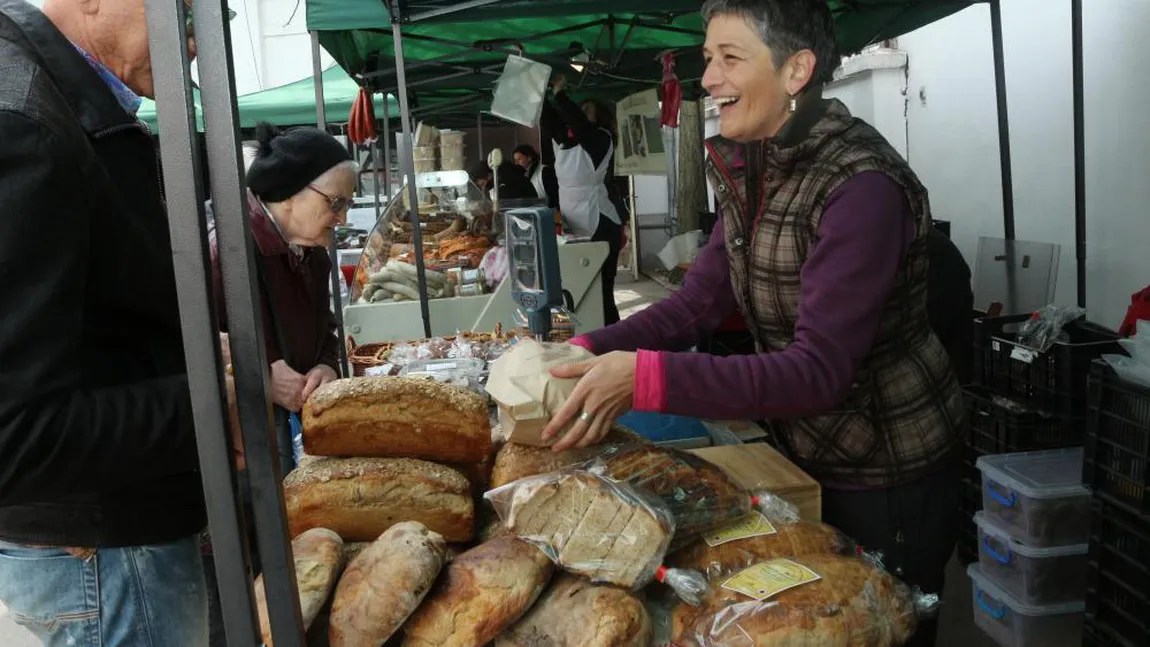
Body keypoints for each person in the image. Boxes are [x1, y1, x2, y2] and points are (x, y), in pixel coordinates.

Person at [542, 2, 965, 646]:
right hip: (796, 451)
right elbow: (696, 305)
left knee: (881, 625)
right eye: (709, 57)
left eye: (729, 58)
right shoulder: (756, 165)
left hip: (886, 470)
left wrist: (647, 379)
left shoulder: (861, 187)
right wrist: (580, 348)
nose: (708, 77)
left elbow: (818, 370)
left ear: (797, 70)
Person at [0, 0, 220, 644]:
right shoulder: (25, 120)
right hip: (106, 554)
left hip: (105, 547)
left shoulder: (51, 99)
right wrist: (209, 404)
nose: (197, 44)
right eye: (183, 15)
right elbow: (15, 434)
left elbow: (89, 320)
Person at [540, 78, 628, 325]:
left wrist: (560, 95)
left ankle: (613, 337)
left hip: (599, 220)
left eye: (587, 110)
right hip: (573, 220)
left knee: (601, 290)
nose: (580, 114)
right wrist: (540, 94)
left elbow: (580, 125)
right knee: (580, 289)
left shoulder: (601, 138)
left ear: (600, 119)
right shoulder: (568, 141)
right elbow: (549, 121)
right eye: (581, 109)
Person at [513, 143, 560, 209]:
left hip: (550, 214)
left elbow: (555, 200)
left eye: (519, 159)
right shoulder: (521, 177)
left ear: (529, 158)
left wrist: (557, 218)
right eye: (515, 161)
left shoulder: (545, 171)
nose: (516, 163)